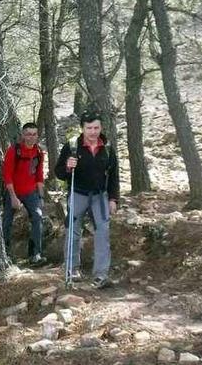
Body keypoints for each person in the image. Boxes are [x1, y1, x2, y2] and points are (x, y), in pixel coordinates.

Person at [54, 110, 119, 289]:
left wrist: (113, 199)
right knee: (73, 231)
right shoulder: (72, 145)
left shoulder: (107, 147)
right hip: (78, 193)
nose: (93, 132)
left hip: (100, 195)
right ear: (82, 128)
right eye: (89, 128)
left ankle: (101, 274)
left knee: (103, 232)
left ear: (101, 127)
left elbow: (113, 175)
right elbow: (58, 172)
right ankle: (72, 269)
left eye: (96, 127)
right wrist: (67, 167)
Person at [1, 122, 47, 266]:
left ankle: (35, 255)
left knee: (37, 217)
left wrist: (41, 196)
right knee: (7, 222)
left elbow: (39, 175)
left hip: (31, 192)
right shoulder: (14, 151)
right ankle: (5, 253)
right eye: (28, 134)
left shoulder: (39, 152)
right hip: (13, 192)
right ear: (22, 135)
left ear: (37, 136)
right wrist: (14, 197)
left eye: (34, 134)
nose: (31, 137)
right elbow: (7, 175)